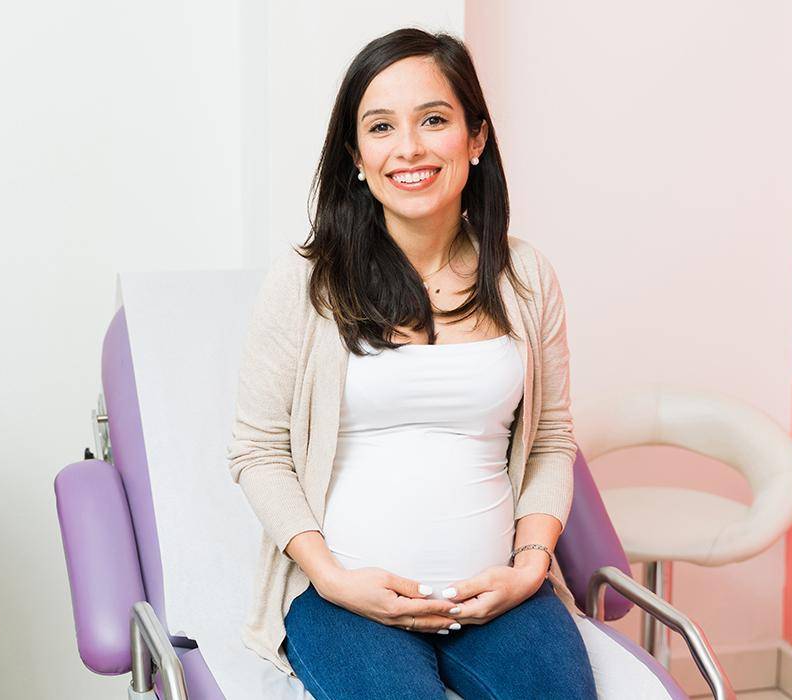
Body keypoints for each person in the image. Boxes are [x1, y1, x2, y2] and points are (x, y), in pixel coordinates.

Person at [227, 27, 597, 700]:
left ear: (476, 138)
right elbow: (258, 451)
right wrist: (332, 577)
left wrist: (529, 565)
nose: (409, 148)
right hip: (348, 602)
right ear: (356, 155)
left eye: (434, 120)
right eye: (380, 127)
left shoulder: (526, 278)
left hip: (499, 598)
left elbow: (550, 440)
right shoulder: (306, 283)